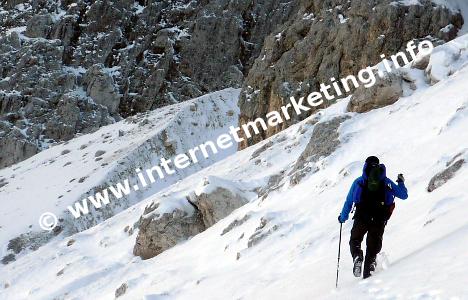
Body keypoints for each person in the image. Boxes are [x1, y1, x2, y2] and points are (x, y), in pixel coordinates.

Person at [338, 156, 408, 279]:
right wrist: (401, 182)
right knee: (372, 247)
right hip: (379, 219)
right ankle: (369, 273)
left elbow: (349, 201)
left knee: (355, 240)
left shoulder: (359, 181)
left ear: (365, 166)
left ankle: (357, 256)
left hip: (361, 217)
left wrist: (343, 217)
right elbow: (403, 195)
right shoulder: (386, 182)